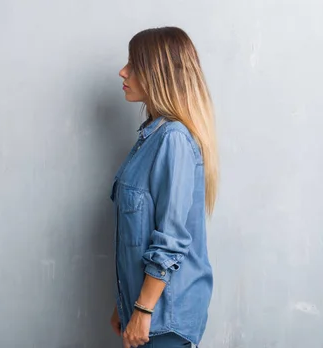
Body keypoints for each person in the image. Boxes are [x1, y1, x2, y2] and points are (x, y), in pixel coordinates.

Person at [109, 27, 218, 348]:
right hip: (144, 310)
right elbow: (137, 235)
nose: (123, 71)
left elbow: (171, 238)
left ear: (160, 73)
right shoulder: (149, 138)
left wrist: (142, 309)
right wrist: (123, 303)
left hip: (164, 316)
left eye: (134, 64)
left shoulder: (173, 140)